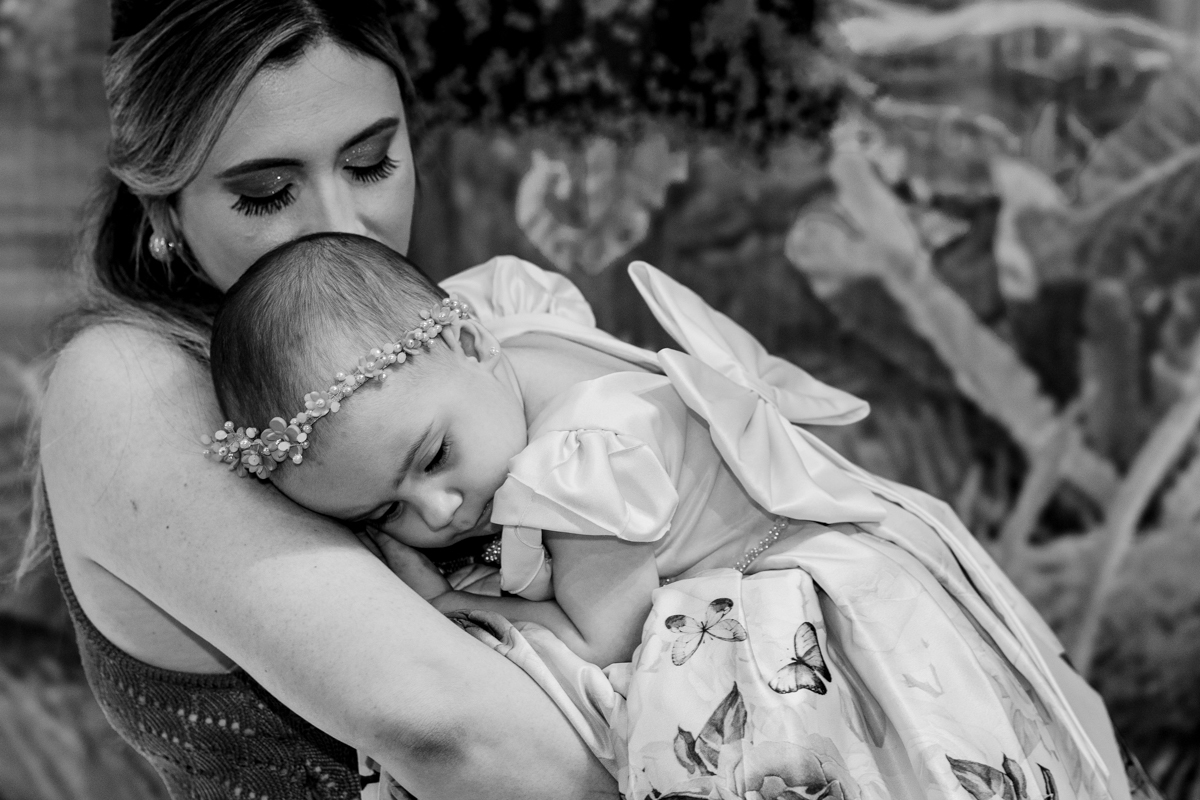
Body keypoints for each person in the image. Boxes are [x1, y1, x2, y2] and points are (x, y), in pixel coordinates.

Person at [204, 232, 1138, 800]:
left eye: (434, 459)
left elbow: (607, 634)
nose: (439, 512)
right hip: (876, 548)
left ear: (470, 341)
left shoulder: (576, 468)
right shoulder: (510, 328)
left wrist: (457, 610)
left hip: (807, 602)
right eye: (384, 512)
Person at [19, 1, 618, 798]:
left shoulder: (449, 343)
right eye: (268, 193)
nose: (343, 226)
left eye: (370, 163)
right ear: (164, 211)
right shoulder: (125, 377)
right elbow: (447, 729)